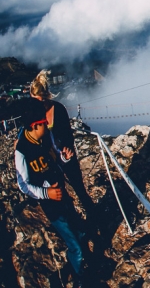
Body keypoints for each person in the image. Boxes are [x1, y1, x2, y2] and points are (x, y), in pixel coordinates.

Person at [14, 97, 86, 285]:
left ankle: (75, 265)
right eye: (44, 123)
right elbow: (23, 185)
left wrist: (65, 158)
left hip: (64, 197)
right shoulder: (21, 151)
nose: (48, 125)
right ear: (36, 125)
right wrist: (47, 194)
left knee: (80, 232)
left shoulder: (47, 138)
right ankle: (80, 278)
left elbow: (56, 160)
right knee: (75, 245)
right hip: (52, 207)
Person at [30, 70, 94, 212]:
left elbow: (67, 134)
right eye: (35, 101)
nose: (39, 104)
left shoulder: (58, 109)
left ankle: (92, 213)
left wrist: (66, 148)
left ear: (47, 96)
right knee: (57, 190)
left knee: (78, 187)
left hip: (65, 154)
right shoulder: (33, 112)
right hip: (48, 159)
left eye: (42, 101)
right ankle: (71, 220)